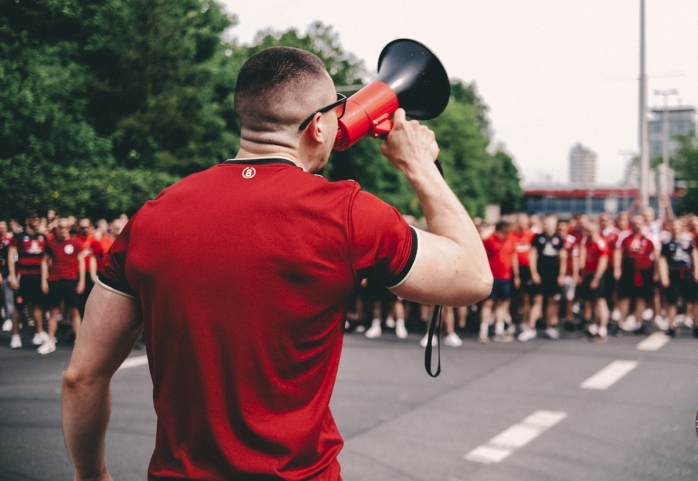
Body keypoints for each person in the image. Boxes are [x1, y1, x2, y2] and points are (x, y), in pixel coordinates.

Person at [61, 46, 492, 481]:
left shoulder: (152, 217)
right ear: (319, 127)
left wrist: (91, 476)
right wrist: (419, 165)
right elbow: (473, 276)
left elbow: (82, 377)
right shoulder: (346, 214)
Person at [39, 220, 86, 354]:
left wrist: (81, 281)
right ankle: (50, 341)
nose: (63, 230)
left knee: (75, 311)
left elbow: (81, 261)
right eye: (61, 227)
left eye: (66, 227)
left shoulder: (75, 242)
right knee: (53, 312)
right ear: (56, 229)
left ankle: (79, 341)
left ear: (69, 228)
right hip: (55, 280)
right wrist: (44, 280)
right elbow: (44, 262)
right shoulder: (51, 243)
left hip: (70, 280)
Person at [519, 215, 565, 341]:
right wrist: (533, 272)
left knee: (551, 301)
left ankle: (549, 327)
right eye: (544, 223)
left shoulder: (558, 238)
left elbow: (563, 257)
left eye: (549, 223)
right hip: (540, 274)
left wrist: (561, 274)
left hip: (553, 275)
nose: (546, 225)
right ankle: (531, 328)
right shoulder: (538, 238)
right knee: (537, 300)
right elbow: (533, 255)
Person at [7, 212, 49, 349]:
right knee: (19, 306)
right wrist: (13, 276)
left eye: (37, 218)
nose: (36, 221)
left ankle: (39, 332)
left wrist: (45, 278)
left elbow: (46, 258)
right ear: (27, 221)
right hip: (23, 276)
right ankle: (15, 336)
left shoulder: (43, 237)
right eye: (33, 218)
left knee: (37, 304)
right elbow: (11, 256)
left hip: (37, 276)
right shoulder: (18, 237)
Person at [659, 219, 698, 338]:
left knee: (693, 300)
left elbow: (694, 254)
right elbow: (662, 260)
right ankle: (671, 326)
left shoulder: (688, 239)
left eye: (677, 226)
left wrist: (697, 271)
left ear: (681, 227)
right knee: (672, 301)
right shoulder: (666, 242)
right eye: (673, 226)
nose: (675, 228)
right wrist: (664, 275)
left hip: (687, 272)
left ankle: (697, 326)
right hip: (673, 272)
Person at [614, 215, 658, 335]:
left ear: (643, 223)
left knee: (641, 298)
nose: (636, 224)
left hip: (644, 272)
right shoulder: (625, 236)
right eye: (634, 222)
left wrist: (656, 272)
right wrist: (617, 269)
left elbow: (657, 256)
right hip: (628, 271)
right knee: (625, 297)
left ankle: (639, 323)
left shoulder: (650, 237)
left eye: (639, 222)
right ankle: (621, 323)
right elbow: (619, 252)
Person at [479, 220, 516, 343]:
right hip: (492, 277)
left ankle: (498, 331)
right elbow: (481, 256)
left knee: (502, 303)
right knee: (488, 303)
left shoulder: (509, 240)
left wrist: (516, 275)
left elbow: (512, 256)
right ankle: (483, 331)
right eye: (508, 227)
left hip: (505, 277)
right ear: (503, 227)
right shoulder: (490, 240)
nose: (510, 229)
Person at [579, 220, 610, 342]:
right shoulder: (587, 242)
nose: (590, 233)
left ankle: (602, 328)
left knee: (600, 302)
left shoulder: (600, 243)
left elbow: (603, 262)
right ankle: (593, 326)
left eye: (592, 231)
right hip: (588, 274)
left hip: (597, 275)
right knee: (591, 302)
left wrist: (596, 278)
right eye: (588, 231)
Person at [1, 221, 13, 332]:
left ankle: (10, 318)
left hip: (9, 272)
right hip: (1, 271)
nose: (1, 229)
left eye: (3, 226)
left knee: (8, 296)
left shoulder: (10, 239)